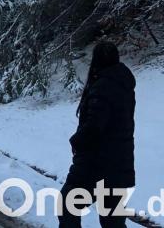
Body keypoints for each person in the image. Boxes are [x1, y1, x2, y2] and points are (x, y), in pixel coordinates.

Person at [59, 41, 135, 228]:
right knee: (113, 220)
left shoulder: (102, 87)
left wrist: (76, 142)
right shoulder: (123, 85)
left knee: (67, 205)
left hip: (95, 163)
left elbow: (94, 127)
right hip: (120, 162)